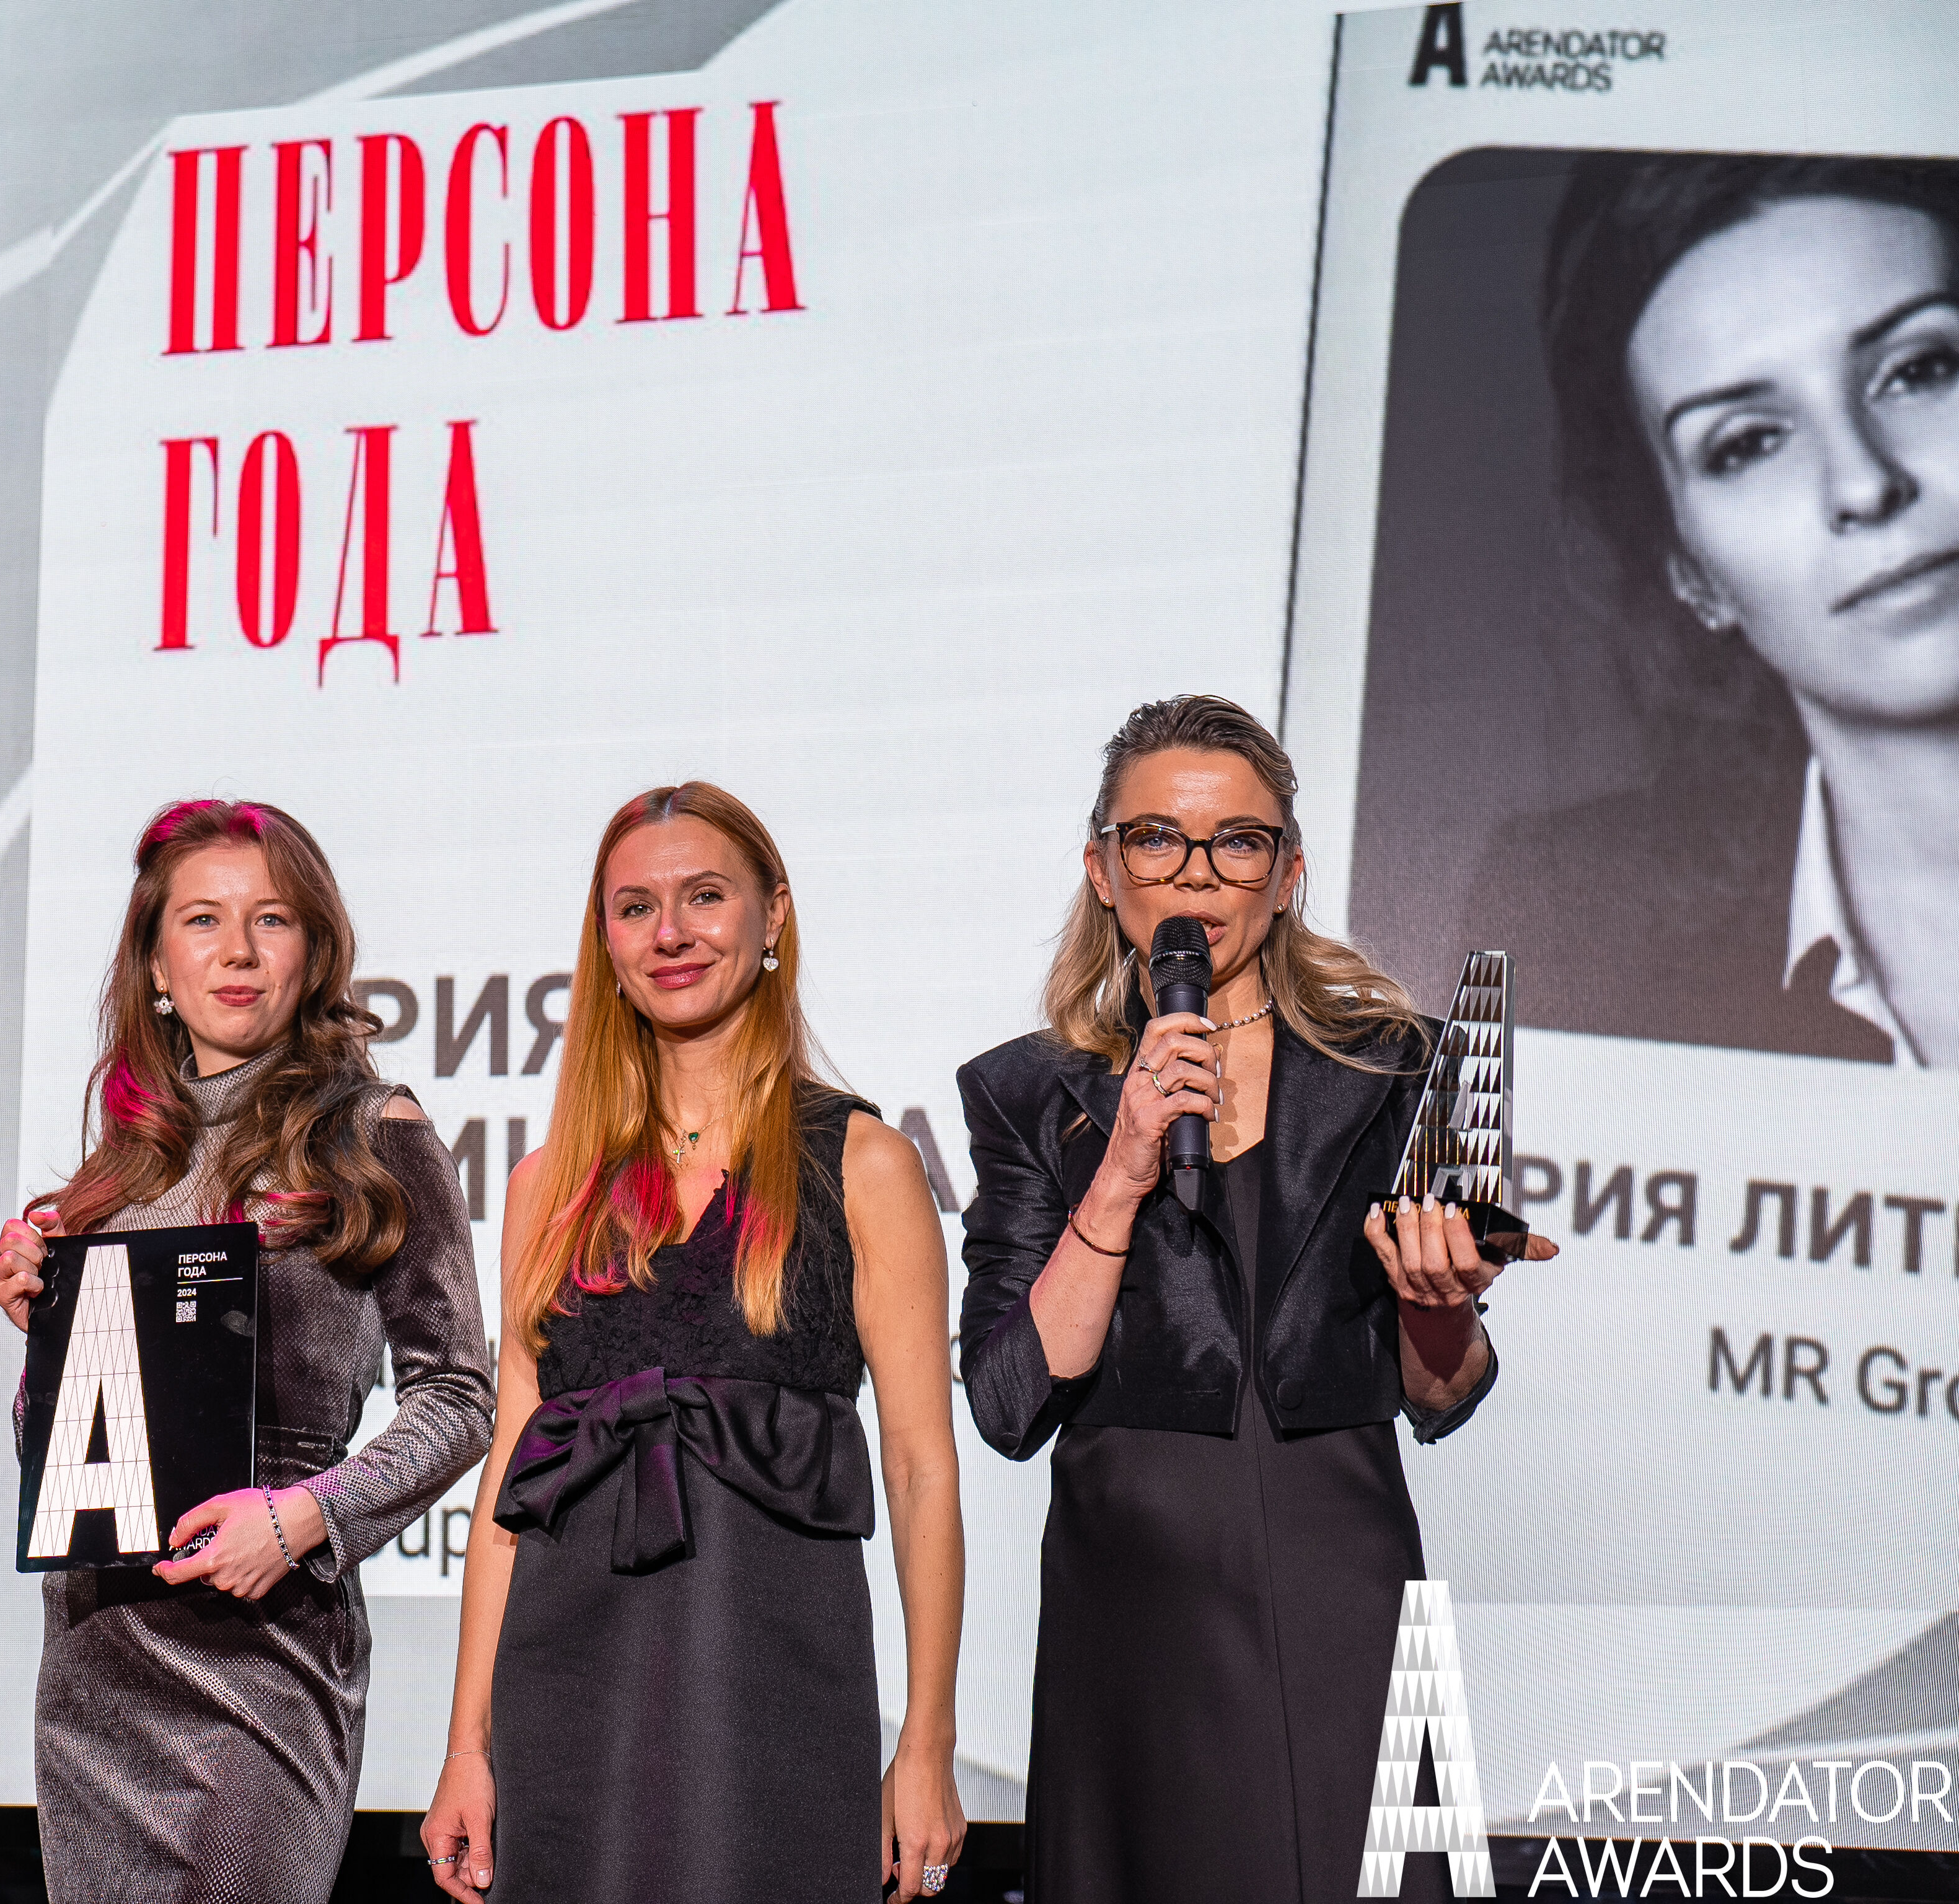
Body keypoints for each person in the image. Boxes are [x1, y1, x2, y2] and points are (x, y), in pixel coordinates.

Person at [957, 695, 1560, 1904]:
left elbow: (1442, 1396)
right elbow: (1011, 1402)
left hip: (1342, 1566)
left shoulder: (1400, 1067)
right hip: (1135, 1593)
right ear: (1102, 868)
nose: (1197, 873)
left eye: (1237, 842)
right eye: (1156, 839)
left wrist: (1440, 1300)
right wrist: (1124, 1165)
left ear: (1287, 874)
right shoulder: (1028, 1093)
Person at [420, 782, 967, 1904]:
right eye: (636, 908)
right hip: (565, 1702)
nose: (670, 932)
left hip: (774, 1704)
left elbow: (921, 1471)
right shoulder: (547, 1188)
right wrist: (467, 1747)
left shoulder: (863, 1164)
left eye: (705, 897)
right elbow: (508, 1485)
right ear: (607, 943)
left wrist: (927, 1743)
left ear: (774, 916)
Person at [0, 798, 492, 1904]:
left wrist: (305, 1517)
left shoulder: (374, 1131)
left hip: (266, 1645)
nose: (239, 951)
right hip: (99, 1656)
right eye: (203, 920)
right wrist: (46, 1335)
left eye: (272, 919)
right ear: (156, 962)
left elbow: (459, 1397)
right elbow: (55, 1450)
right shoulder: (114, 1171)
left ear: (314, 950)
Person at [1466, 152, 1959, 1064]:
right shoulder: (1560, 917)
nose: (1864, 484)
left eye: (1921, 369)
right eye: (1749, 443)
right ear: (1691, 571)